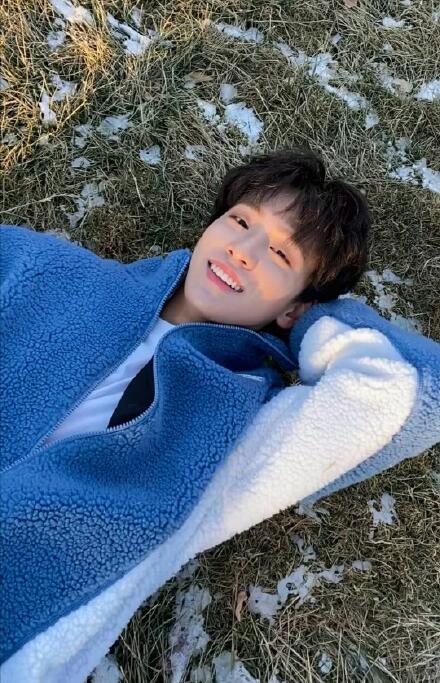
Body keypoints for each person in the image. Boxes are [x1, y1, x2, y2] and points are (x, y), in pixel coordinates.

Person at [1, 148, 439, 683]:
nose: (243, 252)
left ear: (295, 306)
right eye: (240, 221)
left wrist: (316, 320)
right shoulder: (56, 274)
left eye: (280, 255)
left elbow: (399, 388)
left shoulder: (243, 424)